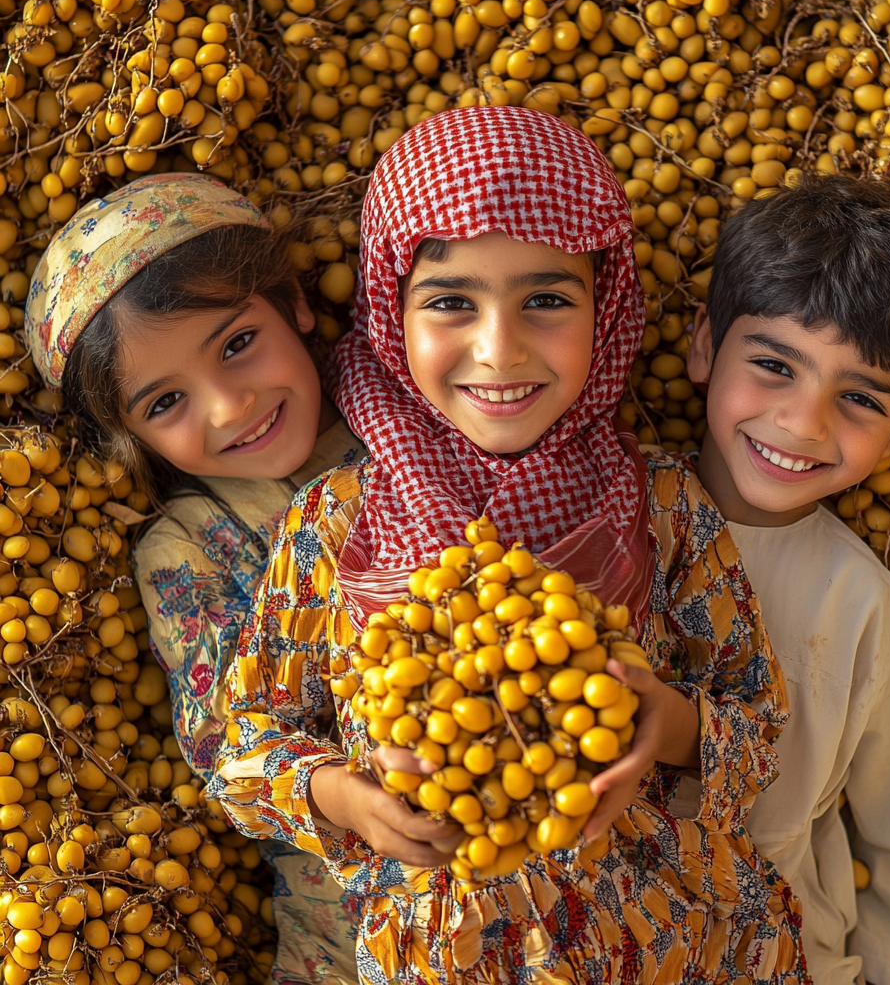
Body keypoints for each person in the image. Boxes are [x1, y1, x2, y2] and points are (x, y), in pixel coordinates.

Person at [209, 106, 809, 985]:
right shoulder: (337, 522)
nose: (499, 349)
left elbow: (760, 724)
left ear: (605, 313)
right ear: (389, 309)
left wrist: (670, 725)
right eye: (452, 302)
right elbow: (243, 745)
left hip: (691, 946)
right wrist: (347, 798)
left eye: (547, 300)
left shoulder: (664, 503)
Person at [25, 173, 365, 985]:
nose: (228, 407)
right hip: (349, 930)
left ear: (295, 303)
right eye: (168, 401)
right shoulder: (187, 548)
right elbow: (223, 748)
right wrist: (344, 799)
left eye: (238, 344)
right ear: (129, 435)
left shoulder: (411, 414)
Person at [677, 175, 890, 985]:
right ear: (703, 346)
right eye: (775, 364)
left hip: (779, 957)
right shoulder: (599, 507)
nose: (802, 422)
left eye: (859, 399)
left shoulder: (861, 601)